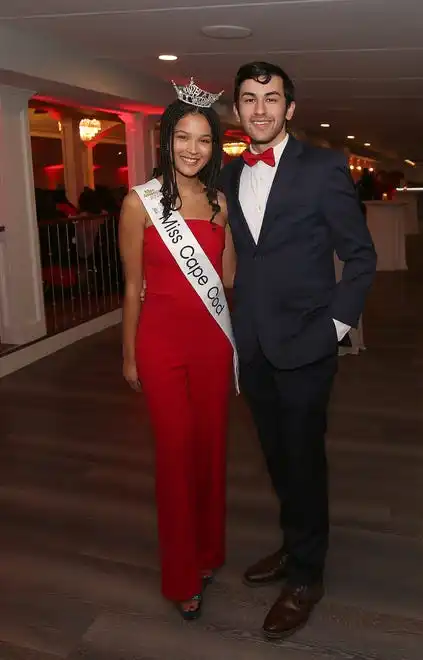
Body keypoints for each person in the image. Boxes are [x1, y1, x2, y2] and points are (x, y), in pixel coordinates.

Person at [218, 62, 377, 639]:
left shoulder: (325, 167)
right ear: (237, 110)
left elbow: (361, 258)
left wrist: (333, 328)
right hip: (255, 345)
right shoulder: (232, 176)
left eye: (271, 99)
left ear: (291, 109)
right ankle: (294, 545)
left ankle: (307, 576)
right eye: (249, 100)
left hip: (309, 343)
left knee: (304, 460)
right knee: (278, 457)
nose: (260, 109)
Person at [119, 79, 237, 620]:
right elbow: (130, 286)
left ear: (215, 146)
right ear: (165, 141)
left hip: (212, 343)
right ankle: (181, 574)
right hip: (161, 343)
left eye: (205, 139)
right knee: (174, 453)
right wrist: (128, 354)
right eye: (182, 137)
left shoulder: (218, 202)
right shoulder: (137, 203)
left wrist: (236, 225)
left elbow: (227, 277)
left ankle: (208, 552)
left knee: (210, 448)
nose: (193, 148)